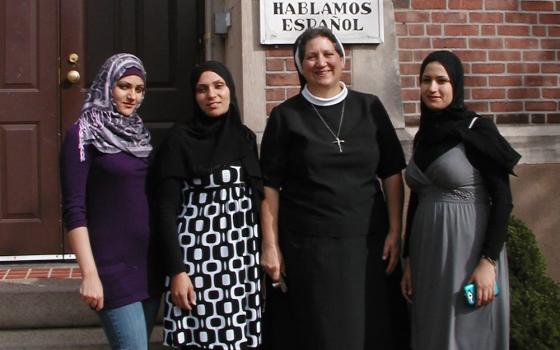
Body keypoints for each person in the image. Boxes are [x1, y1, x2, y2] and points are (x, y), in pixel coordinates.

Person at [260, 27, 410, 350]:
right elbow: (269, 187)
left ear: (342, 58)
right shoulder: (285, 117)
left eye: (328, 54)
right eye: (311, 56)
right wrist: (270, 245)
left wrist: (396, 230)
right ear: (300, 66)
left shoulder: (370, 108)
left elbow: (392, 173)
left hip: (368, 244)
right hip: (310, 248)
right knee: (321, 333)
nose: (321, 62)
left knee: (370, 331)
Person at [400, 50, 520, 349]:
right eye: (426, 80)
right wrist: (409, 260)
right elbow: (416, 199)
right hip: (427, 255)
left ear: (457, 85)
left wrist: (488, 262)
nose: (432, 88)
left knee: (468, 331)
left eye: (442, 80)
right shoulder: (423, 136)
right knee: (431, 331)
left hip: (468, 252)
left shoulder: (477, 130)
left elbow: (502, 199)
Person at [151, 61, 263, 349]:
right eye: (202, 89)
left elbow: (259, 195)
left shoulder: (244, 137)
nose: (211, 95)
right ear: (193, 96)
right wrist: (177, 271)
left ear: (230, 90)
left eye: (218, 86)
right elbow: (165, 209)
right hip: (200, 262)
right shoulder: (179, 140)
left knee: (239, 339)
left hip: (242, 261)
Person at [60, 53, 161, 350]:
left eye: (139, 89)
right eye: (124, 86)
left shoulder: (140, 134)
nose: (132, 96)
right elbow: (74, 209)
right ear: (107, 85)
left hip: (149, 265)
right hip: (112, 269)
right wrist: (89, 274)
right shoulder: (81, 134)